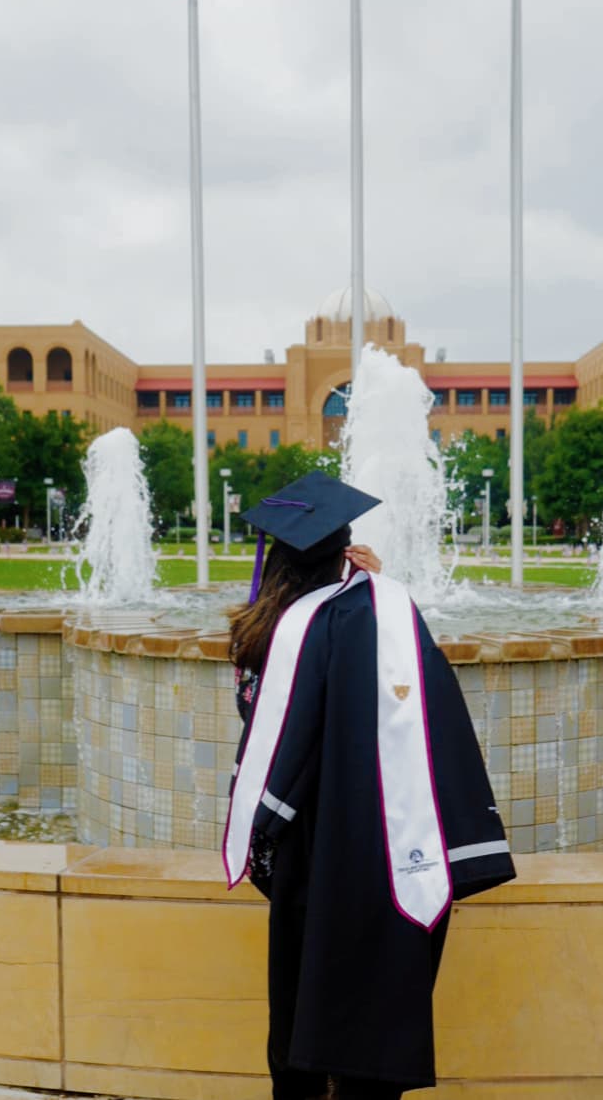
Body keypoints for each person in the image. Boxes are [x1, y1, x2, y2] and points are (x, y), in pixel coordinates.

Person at [224, 471, 515, 1100]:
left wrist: (265, 840)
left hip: (308, 852)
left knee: (302, 1000)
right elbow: (417, 703)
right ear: (345, 553)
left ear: (276, 561)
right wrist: (384, 591)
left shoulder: (263, 633)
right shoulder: (379, 618)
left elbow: (265, 740)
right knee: (373, 1006)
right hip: (385, 841)